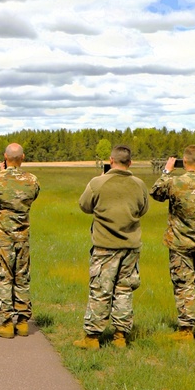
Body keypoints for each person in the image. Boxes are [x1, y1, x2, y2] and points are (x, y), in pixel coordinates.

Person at [74, 144, 149, 350]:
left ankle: (92, 337)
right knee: (124, 290)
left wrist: (99, 181)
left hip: (105, 246)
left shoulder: (98, 183)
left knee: (100, 290)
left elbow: (84, 205)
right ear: (130, 162)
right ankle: (120, 336)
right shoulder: (139, 184)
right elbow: (143, 209)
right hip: (131, 246)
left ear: (111, 160)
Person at [149, 146, 195, 341]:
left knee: (183, 284)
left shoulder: (175, 182)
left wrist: (166, 171)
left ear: (184, 160)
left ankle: (186, 328)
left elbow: (155, 193)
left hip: (180, 241)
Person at [0, 143, 40, 339]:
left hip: (1, 237)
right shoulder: (32, 180)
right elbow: (32, 197)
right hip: (22, 236)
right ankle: (23, 323)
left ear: (5, 157)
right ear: (23, 158)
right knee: (21, 277)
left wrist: (1, 173)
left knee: (2, 277)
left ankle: (6, 323)